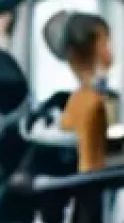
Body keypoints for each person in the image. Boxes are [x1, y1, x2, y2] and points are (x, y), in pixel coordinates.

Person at [42, 10, 115, 174]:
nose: (111, 52)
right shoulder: (92, 104)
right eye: (105, 44)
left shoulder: (77, 99)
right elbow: (91, 173)